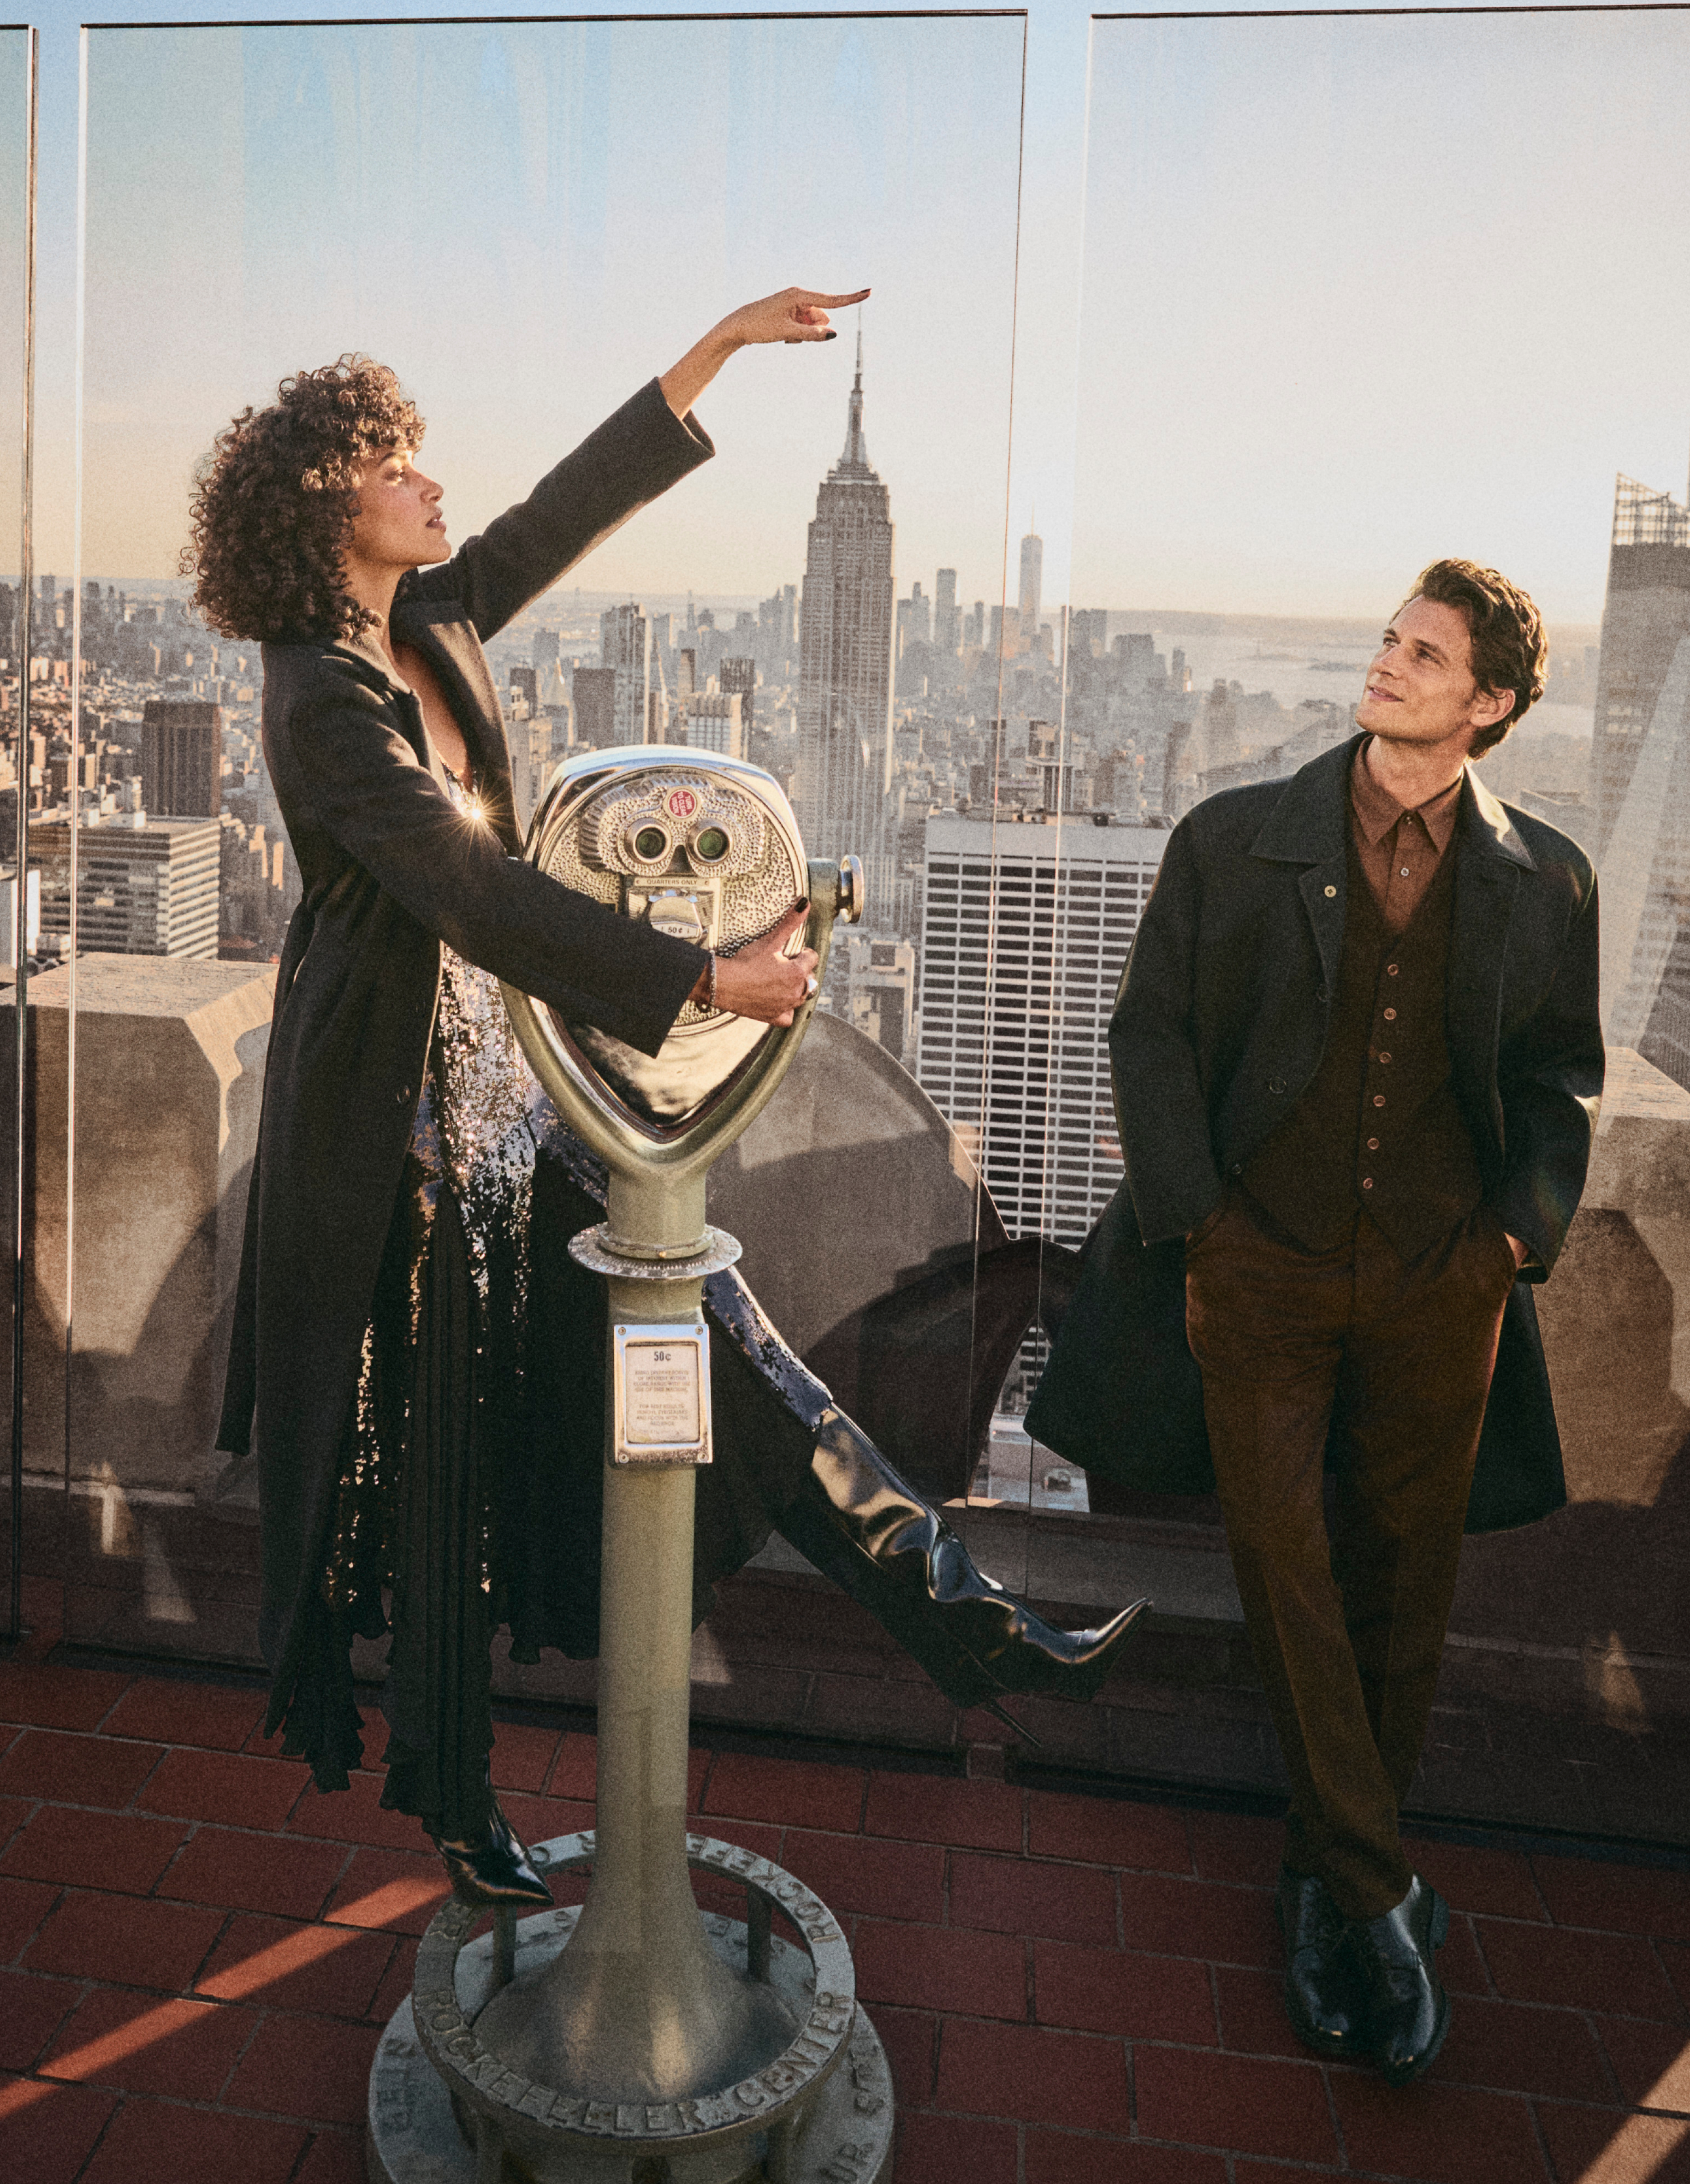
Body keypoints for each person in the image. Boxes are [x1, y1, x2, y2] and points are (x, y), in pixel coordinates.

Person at [193, 291, 1148, 1910]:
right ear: (321, 503)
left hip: (503, 1087)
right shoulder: (318, 697)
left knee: (724, 1337)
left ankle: (977, 1630)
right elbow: (472, 896)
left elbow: (552, 515)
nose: (432, 483)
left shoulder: (420, 619)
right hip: (398, 1136)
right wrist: (713, 980)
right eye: (398, 463)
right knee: (446, 1478)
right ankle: (457, 1799)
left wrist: (705, 361)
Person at [1029, 560, 1602, 2084]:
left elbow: (1561, 1080)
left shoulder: (1549, 876)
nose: (1387, 665)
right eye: (1389, 641)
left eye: (1427, 656)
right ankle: (1378, 1890)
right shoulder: (1234, 839)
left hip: (1443, 1286)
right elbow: (1148, 1031)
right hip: (1256, 1272)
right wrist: (1204, 1228)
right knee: (1285, 1559)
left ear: (1488, 706)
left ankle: (1325, 1877)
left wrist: (1508, 1240)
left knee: (1403, 1585)